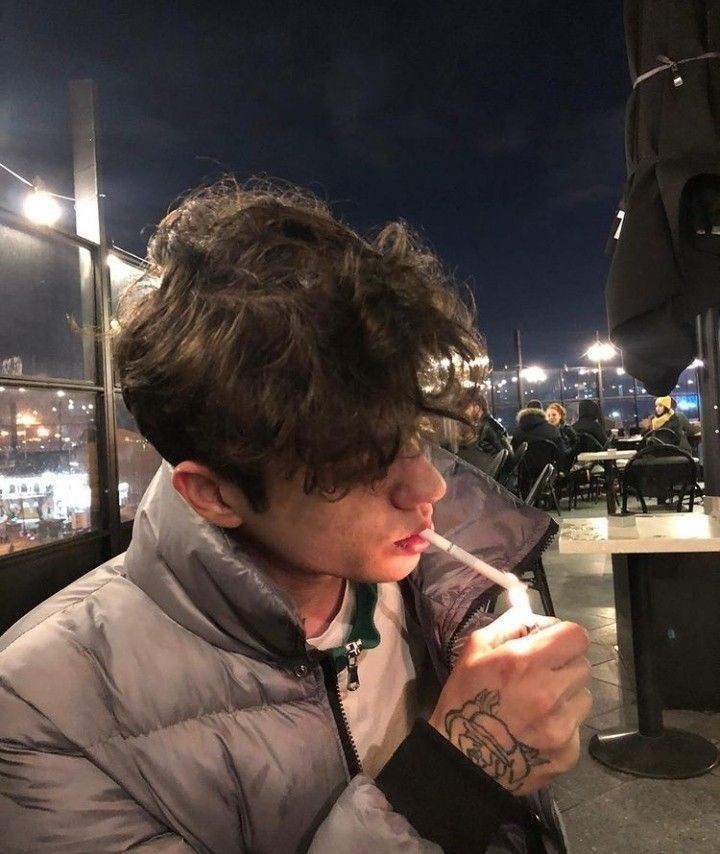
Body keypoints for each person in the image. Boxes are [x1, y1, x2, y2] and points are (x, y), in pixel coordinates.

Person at [0, 182, 591, 853]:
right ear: (212, 495)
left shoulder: (446, 585)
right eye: (355, 468)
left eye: (410, 436)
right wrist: (460, 772)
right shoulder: (41, 711)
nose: (427, 486)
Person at [546, 403, 578, 472]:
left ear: (560, 416)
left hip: (566, 463)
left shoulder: (567, 429)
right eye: (548, 415)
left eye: (554, 415)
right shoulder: (546, 431)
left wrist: (568, 452)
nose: (551, 417)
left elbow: (576, 443)